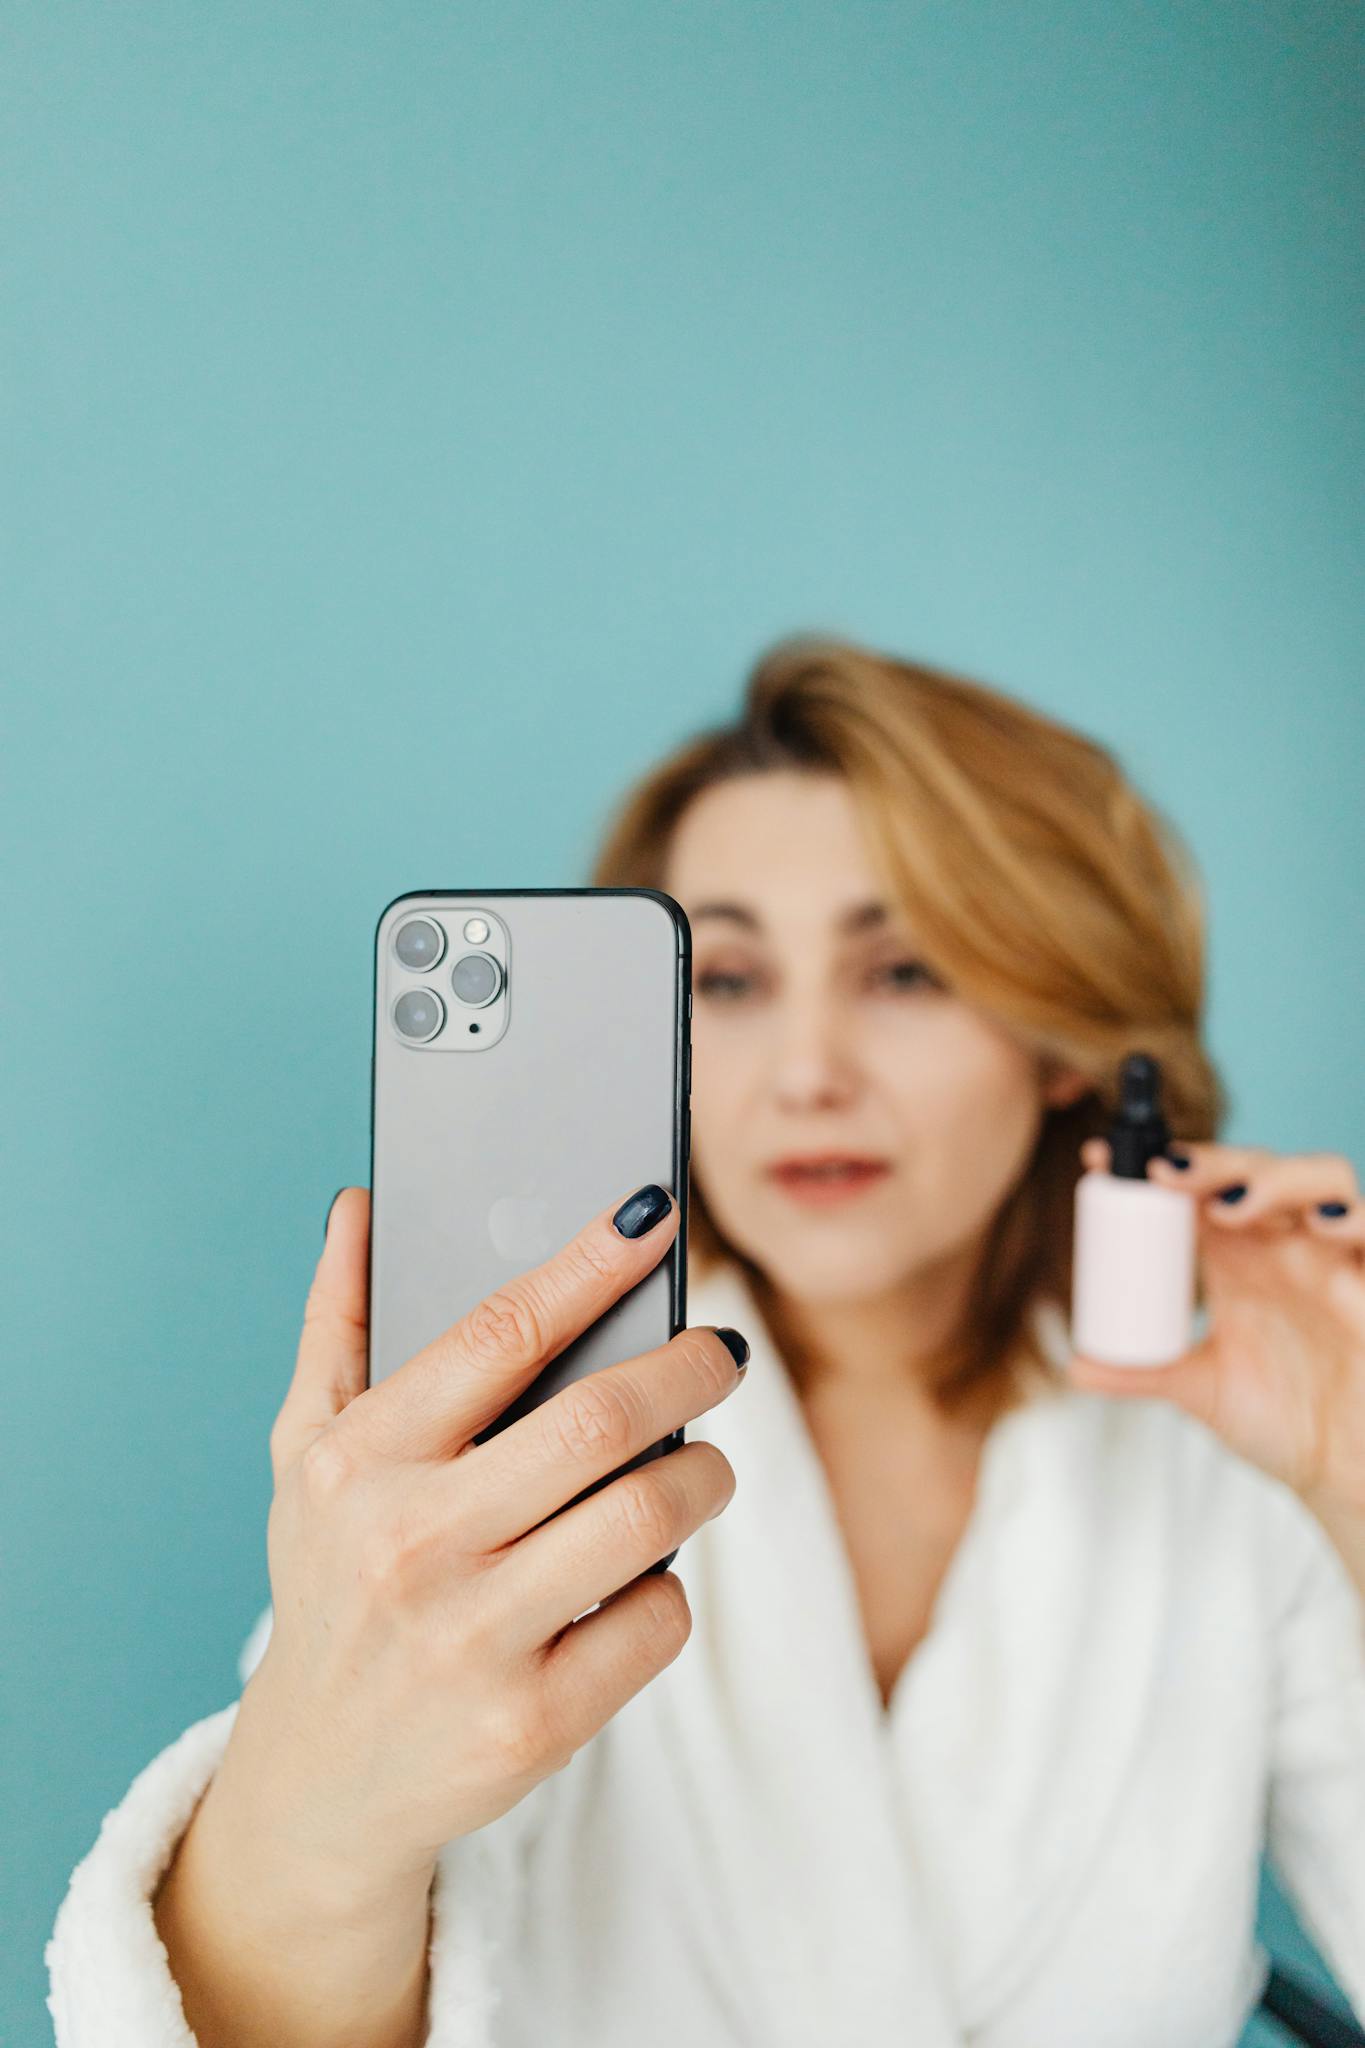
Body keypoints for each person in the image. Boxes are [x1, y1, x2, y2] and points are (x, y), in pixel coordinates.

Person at [46, 635, 1365, 2047]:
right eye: (726, 979)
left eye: (905, 972)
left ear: (1059, 1036)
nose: (807, 1074)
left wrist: (1353, 1476)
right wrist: (320, 1789)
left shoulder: (1236, 1467)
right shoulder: (522, 1438)